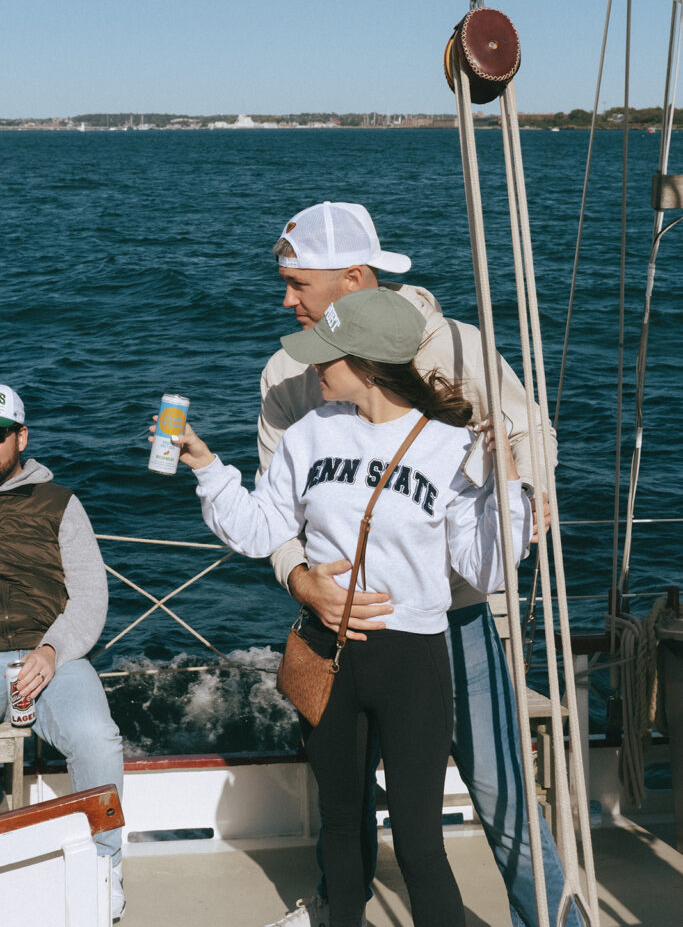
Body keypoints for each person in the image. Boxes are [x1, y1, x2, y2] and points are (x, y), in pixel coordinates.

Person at [161, 287, 532, 927]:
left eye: (325, 357)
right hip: (326, 654)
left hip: (411, 660)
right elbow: (260, 529)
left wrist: (509, 485)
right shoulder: (311, 432)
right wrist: (206, 465)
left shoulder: (452, 446)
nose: (313, 367)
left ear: (368, 365)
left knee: (419, 845)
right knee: (338, 828)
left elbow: (488, 566)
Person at [257, 202, 580, 927]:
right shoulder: (285, 371)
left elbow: (534, 449)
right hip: (331, 629)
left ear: (354, 279)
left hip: (452, 619)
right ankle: (340, 910)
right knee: (342, 807)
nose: (285, 300)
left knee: (500, 796)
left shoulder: (464, 348)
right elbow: (274, 508)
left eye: (296, 283)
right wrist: (298, 578)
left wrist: (507, 488)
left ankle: (558, 921)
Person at [0, 385, 126, 923]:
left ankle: (104, 870)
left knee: (97, 737)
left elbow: (91, 596)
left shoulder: (59, 503)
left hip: (51, 650)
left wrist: (53, 649)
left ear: (20, 437)